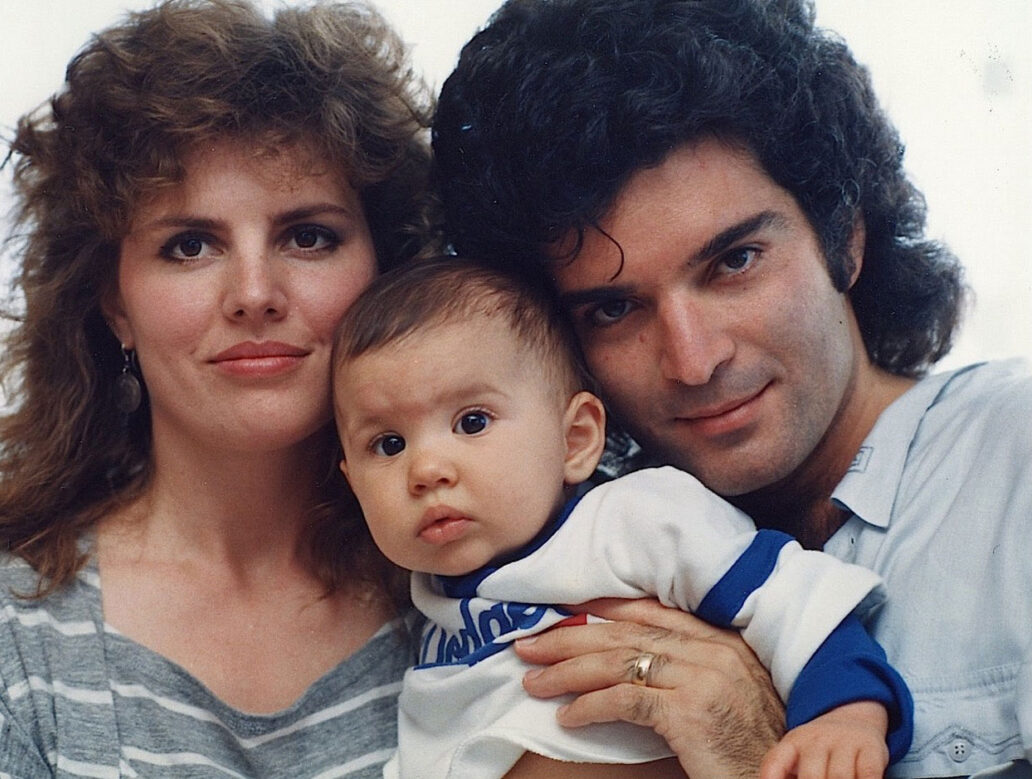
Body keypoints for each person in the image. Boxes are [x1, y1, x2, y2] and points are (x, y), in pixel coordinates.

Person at [431, 0, 1032, 777]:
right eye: (615, 309)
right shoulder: (575, 558)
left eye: (734, 261)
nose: (692, 359)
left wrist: (753, 754)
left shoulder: (1015, 460)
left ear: (843, 233)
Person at [0, 1, 435, 775]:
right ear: (115, 303)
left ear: (385, 270)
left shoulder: (491, 591)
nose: (254, 292)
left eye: (308, 236)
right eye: (189, 244)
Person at [331, 256, 912, 778]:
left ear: (576, 439)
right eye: (387, 444)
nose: (426, 469)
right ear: (353, 482)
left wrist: (846, 718)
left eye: (473, 422)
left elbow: (797, 604)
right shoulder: (428, 609)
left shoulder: (637, 520)